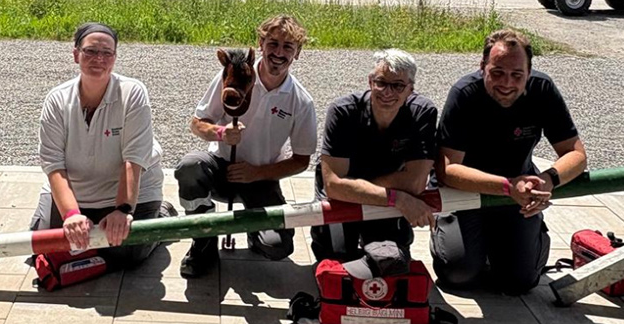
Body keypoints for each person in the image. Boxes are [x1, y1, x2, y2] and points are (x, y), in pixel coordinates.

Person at [432, 29, 588, 296]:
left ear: (529, 72)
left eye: (517, 75)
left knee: (521, 282)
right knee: (459, 274)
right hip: (465, 192)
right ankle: (453, 232)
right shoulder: (464, 94)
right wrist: (507, 187)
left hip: (519, 190)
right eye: (497, 73)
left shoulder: (543, 89)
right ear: (482, 67)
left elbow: (576, 154)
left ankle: (520, 238)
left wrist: (548, 180)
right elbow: (448, 169)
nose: (507, 83)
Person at [175, 14, 319, 278]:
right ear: (260, 44)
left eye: (288, 47)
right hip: (219, 167)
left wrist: (257, 173)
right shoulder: (232, 75)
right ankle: (204, 242)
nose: (279, 53)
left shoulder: (301, 101)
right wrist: (219, 132)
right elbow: (197, 123)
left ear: (298, 53)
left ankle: (257, 234)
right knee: (189, 168)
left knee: (278, 248)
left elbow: (301, 160)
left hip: (261, 177)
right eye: (273, 44)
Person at [32, 22, 170, 266]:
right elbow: (53, 164)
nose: (99, 59)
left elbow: (134, 159)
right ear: (76, 55)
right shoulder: (57, 99)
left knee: (127, 254)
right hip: (77, 189)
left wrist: (123, 210)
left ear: (115, 57)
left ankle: (162, 214)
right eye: (91, 51)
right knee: (47, 250)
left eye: (107, 53)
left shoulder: (133, 93)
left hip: (130, 190)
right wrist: (72, 215)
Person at [312, 48, 437, 263]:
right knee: (338, 257)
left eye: (397, 86)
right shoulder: (343, 111)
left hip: (369, 189)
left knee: (391, 260)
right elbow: (333, 186)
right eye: (381, 83)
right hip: (380, 193)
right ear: (370, 82)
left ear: (410, 89)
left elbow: (415, 183)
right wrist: (397, 197)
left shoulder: (422, 112)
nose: (388, 93)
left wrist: (357, 188)